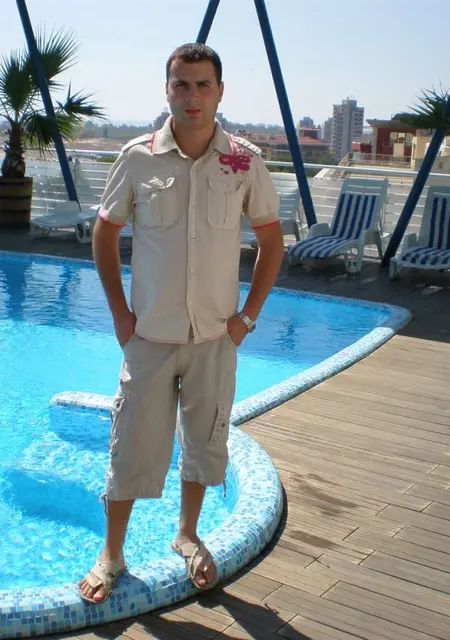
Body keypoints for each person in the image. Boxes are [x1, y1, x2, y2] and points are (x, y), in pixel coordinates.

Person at [78, 42, 284, 604]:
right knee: (129, 449)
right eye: (181, 84)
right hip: (149, 338)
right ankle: (111, 554)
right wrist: (120, 314)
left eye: (202, 85)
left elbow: (271, 242)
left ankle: (187, 535)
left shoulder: (243, 161)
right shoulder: (137, 158)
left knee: (204, 442)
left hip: (214, 339)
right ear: (167, 90)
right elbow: (104, 232)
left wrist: (246, 319)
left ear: (220, 92)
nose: (192, 96)